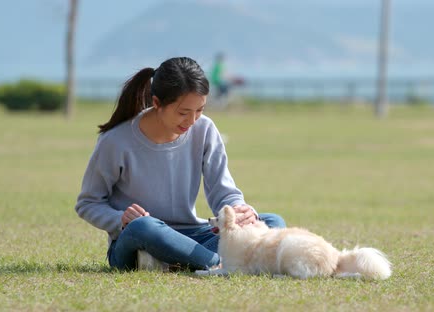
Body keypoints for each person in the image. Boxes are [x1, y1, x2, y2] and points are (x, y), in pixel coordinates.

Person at [75, 57, 285, 271]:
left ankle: (180, 261)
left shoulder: (205, 130)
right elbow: (88, 203)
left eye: (200, 110)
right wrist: (121, 219)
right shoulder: (116, 141)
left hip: (195, 235)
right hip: (139, 240)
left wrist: (241, 211)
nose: (192, 120)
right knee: (144, 226)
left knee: (270, 221)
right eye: (183, 112)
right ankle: (218, 264)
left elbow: (224, 191)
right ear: (157, 103)